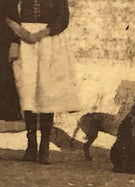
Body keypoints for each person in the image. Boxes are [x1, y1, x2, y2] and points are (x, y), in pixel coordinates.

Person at [6, 0, 80, 164]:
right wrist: (19, 33)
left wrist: (41, 33)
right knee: (27, 92)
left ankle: (44, 147)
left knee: (47, 92)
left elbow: (63, 18)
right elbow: (8, 13)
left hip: (49, 43)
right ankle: (31, 145)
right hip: (23, 42)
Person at [0, 0, 21, 121]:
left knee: (4, 74)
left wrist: (15, 41)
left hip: (3, 38)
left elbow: (13, 16)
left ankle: (8, 113)